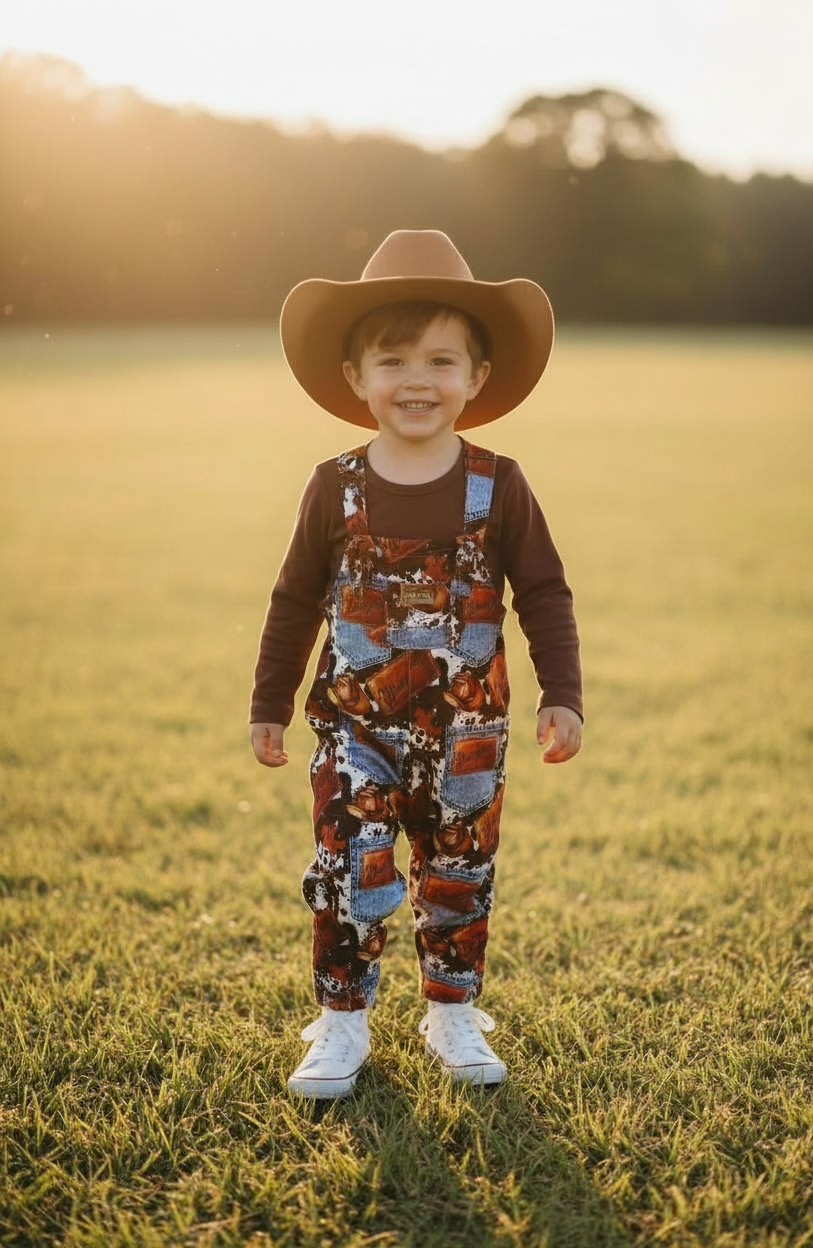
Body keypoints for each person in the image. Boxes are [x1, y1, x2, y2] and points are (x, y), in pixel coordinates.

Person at [250, 230, 582, 1098]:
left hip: (465, 731)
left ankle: (451, 1007)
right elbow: (291, 599)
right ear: (356, 378)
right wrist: (270, 704)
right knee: (350, 864)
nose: (418, 381)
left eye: (442, 360)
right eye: (392, 360)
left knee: (459, 868)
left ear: (477, 376)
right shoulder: (336, 486)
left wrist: (563, 692)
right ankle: (342, 1018)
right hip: (354, 728)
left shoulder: (498, 484)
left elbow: (544, 592)